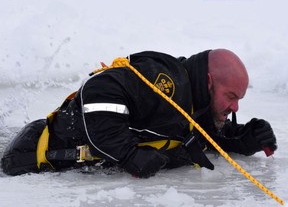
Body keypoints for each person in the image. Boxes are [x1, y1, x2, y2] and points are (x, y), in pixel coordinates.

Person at [1, 49, 277, 178]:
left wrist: (243, 138)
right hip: (29, 159)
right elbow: (99, 89)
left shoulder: (194, 102)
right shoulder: (165, 82)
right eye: (231, 97)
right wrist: (128, 154)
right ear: (208, 82)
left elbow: (197, 134)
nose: (235, 108)